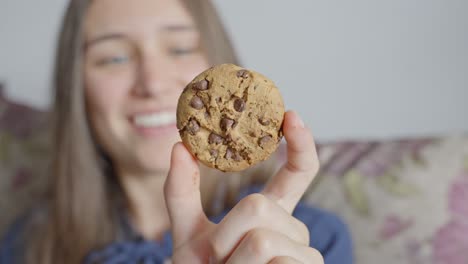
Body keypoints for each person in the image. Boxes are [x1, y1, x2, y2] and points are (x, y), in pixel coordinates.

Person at [0, 0, 353, 263]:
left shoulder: (307, 240)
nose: (152, 83)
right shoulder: (28, 246)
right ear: (76, 88)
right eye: (114, 58)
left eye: (180, 48)